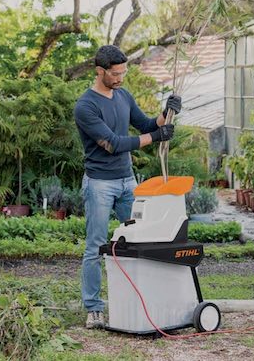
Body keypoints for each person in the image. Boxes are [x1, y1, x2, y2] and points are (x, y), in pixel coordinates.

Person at [74, 45, 182, 329]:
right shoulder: (85, 106)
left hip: (127, 181)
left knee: (139, 240)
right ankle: (94, 308)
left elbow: (146, 124)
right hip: (99, 183)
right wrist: (155, 137)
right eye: (116, 73)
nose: (121, 78)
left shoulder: (123, 96)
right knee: (96, 246)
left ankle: (140, 298)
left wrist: (166, 113)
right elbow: (113, 144)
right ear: (100, 71)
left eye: (124, 72)